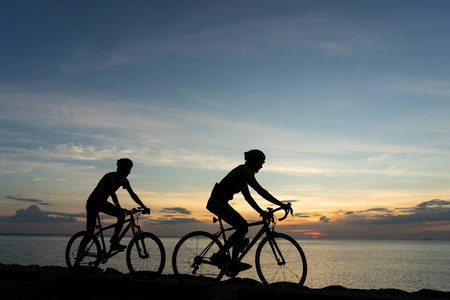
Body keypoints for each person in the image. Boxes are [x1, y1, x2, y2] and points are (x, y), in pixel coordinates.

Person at [207, 149, 292, 272]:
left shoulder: (243, 176)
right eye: (261, 162)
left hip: (219, 203)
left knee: (242, 227)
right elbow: (260, 190)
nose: (262, 166)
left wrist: (262, 212)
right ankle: (223, 256)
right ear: (254, 161)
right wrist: (281, 204)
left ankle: (232, 261)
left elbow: (249, 198)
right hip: (216, 203)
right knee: (242, 226)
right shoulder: (244, 171)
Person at [84, 158, 149, 251]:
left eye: (130, 169)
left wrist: (144, 207)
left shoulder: (124, 180)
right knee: (89, 234)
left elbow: (133, 195)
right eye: (127, 169)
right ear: (120, 169)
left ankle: (114, 240)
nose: (128, 172)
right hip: (93, 203)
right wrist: (119, 208)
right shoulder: (110, 177)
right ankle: (77, 261)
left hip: (102, 202)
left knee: (121, 215)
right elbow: (113, 195)